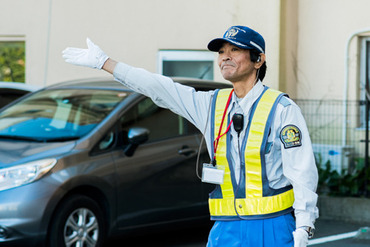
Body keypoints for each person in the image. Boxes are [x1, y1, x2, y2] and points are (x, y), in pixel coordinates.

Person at [62, 25, 319, 247]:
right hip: (225, 230)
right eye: (221, 52)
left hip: (272, 228)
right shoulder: (212, 104)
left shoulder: (282, 109)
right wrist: (106, 63)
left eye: (235, 50)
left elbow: (302, 172)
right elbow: (159, 87)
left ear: (258, 60)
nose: (225, 58)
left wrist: (304, 228)